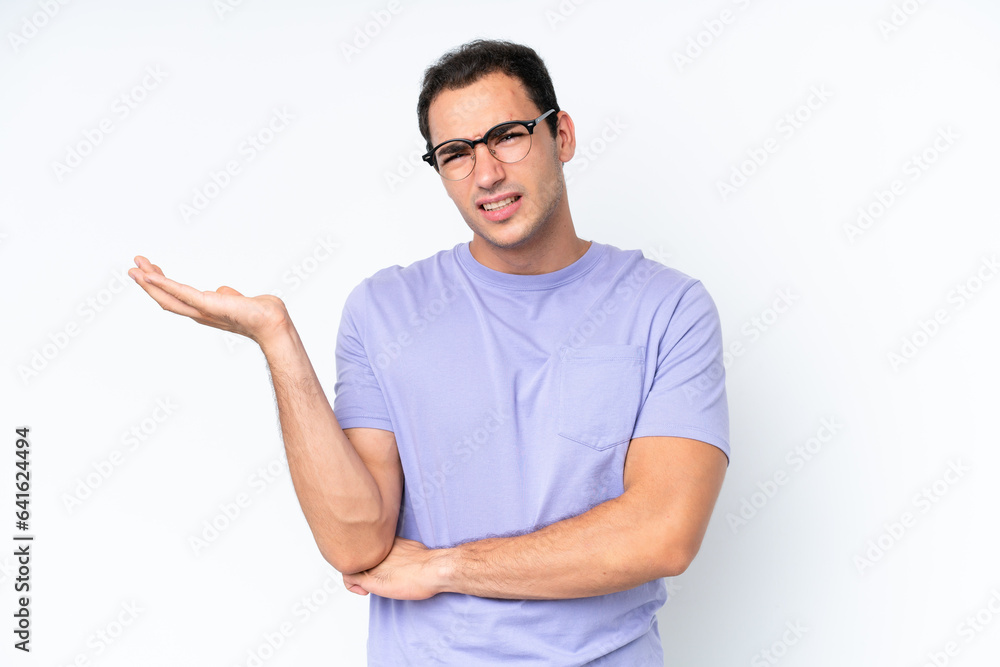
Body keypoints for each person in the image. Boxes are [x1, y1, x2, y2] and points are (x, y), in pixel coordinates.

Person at [129, 39, 730, 666]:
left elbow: (664, 534)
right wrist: (277, 341)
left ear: (563, 135)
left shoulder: (668, 308)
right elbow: (356, 543)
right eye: (456, 154)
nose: (487, 173)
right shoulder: (385, 310)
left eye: (508, 136)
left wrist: (444, 567)